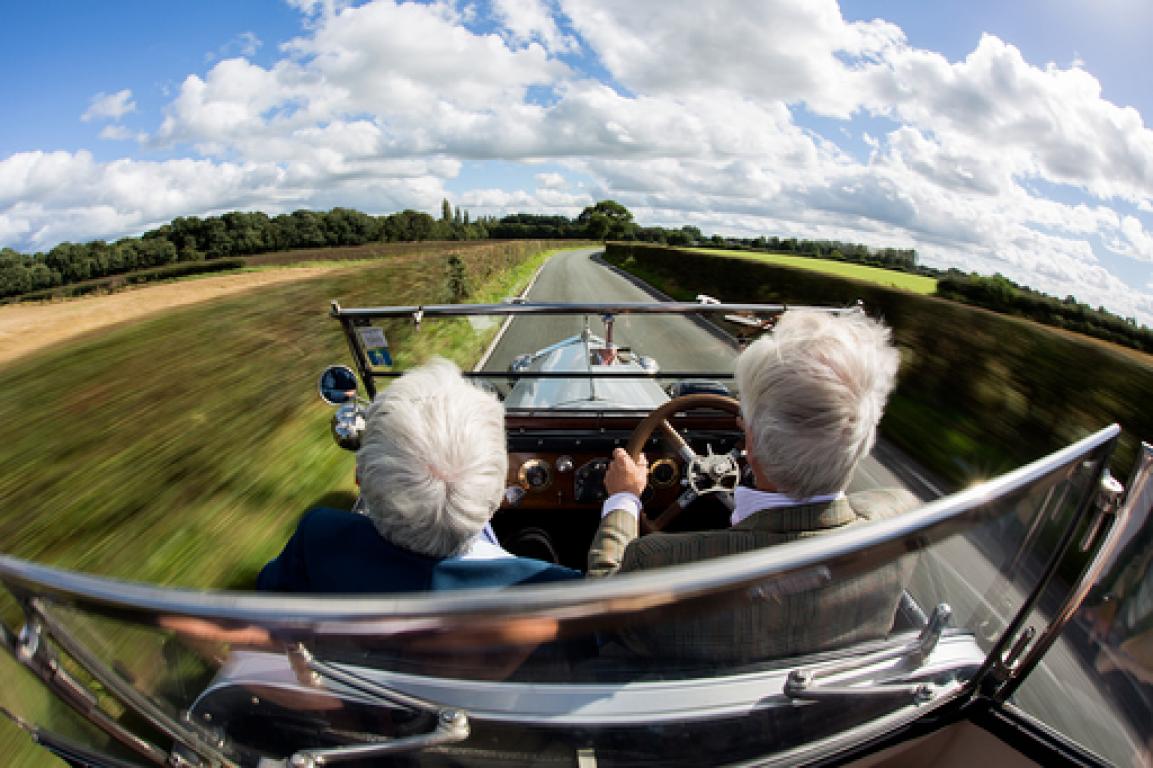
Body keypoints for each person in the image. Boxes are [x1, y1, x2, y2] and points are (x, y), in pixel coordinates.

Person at [587, 309, 918, 662]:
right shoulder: (902, 522)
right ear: (862, 437)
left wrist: (623, 498)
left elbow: (601, 609)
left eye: (745, 416)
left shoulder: (656, 561)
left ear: (754, 444)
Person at [259, 358, 581, 593]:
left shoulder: (318, 539)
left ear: (361, 480)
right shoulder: (552, 587)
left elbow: (270, 606)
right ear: (499, 496)